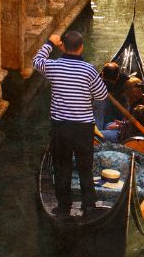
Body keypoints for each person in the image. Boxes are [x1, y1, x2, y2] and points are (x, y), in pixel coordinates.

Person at [32, 30, 109, 216]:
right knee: (85, 167)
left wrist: (50, 43)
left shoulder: (54, 67)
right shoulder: (89, 70)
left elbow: (36, 61)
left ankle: (64, 207)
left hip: (60, 127)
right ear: (81, 48)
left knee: (62, 167)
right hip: (83, 128)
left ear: (64, 47)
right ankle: (89, 205)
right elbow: (101, 95)